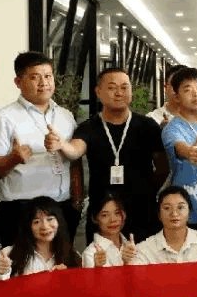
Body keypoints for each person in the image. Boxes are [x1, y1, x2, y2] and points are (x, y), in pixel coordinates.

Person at [54, 67, 168, 242]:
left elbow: (163, 167)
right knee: (102, 257)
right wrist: (62, 145)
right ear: (98, 92)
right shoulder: (89, 127)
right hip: (103, 213)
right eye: (112, 87)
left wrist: (146, 190)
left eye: (124, 87)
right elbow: (75, 150)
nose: (119, 93)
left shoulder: (148, 126)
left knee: (145, 257)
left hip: (142, 211)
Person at [0, 52, 82, 246]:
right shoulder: (3, 119)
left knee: (62, 263)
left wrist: (77, 200)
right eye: (35, 77)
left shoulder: (66, 116)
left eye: (48, 76)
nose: (44, 83)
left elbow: (74, 161)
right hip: (22, 211)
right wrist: (13, 158)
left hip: (61, 208)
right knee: (21, 264)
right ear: (18, 82)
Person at [161, 67, 197, 237]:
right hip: (187, 212)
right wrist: (189, 151)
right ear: (176, 96)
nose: (196, 94)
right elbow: (177, 145)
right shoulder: (173, 127)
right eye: (188, 90)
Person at [80, 192, 139, 268]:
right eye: (105, 215)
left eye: (117, 213)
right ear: (95, 218)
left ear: (124, 215)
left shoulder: (132, 247)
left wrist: (127, 262)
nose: (112, 220)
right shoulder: (90, 253)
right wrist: (97, 268)